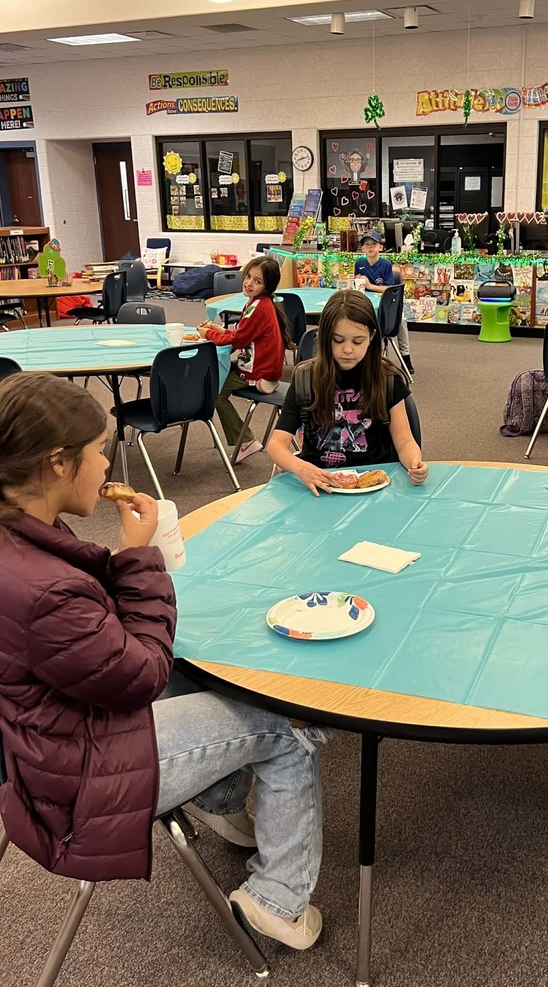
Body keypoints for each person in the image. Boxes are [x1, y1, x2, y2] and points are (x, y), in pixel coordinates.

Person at [0, 374, 325, 950]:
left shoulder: (20, 532)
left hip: (43, 737)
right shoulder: (40, 589)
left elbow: (85, 629)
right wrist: (139, 559)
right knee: (287, 722)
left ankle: (219, 799)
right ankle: (279, 898)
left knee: (205, 667)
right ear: (55, 464)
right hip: (81, 777)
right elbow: (141, 672)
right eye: (98, 452)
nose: (106, 465)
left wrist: (122, 564)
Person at [267, 290, 428, 496]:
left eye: (357, 341)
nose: (348, 350)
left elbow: (404, 440)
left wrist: (415, 462)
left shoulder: (387, 379)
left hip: (375, 486)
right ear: (325, 338)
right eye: (338, 340)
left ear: (371, 337)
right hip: (321, 484)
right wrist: (301, 468)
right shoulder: (305, 378)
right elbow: (276, 445)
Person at [198, 256, 291, 464]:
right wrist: (219, 330)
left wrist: (208, 335)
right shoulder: (259, 303)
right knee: (218, 371)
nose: (249, 283)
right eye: (248, 276)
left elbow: (238, 341)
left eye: (257, 281)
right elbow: (243, 335)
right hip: (260, 364)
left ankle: (246, 440)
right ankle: (243, 437)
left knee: (217, 393)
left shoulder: (259, 307)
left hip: (258, 370)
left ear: (267, 287)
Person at [354, 231, 415, 375]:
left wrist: (370, 286)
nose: (370, 247)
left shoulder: (386, 265)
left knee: (401, 320)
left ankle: (405, 357)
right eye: (366, 244)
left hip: (384, 304)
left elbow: (388, 288)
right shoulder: (359, 263)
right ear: (362, 249)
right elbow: (357, 282)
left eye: (374, 244)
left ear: (380, 247)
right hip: (366, 303)